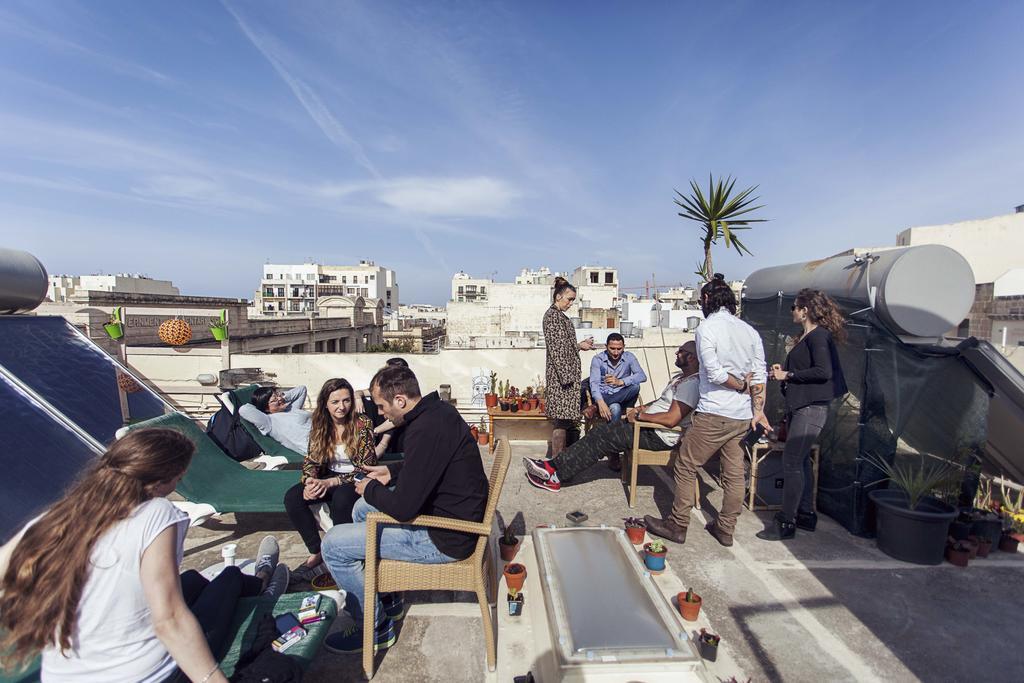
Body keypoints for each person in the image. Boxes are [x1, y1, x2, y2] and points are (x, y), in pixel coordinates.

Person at [0, 429, 288, 683]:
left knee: (191, 580)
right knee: (227, 579)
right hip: (147, 675)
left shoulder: (57, 516)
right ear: (163, 480)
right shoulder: (157, 513)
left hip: (61, 676)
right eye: (179, 476)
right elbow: (169, 619)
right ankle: (261, 581)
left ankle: (247, 580)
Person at [318, 365, 488, 654]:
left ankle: (374, 627)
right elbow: (429, 466)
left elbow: (405, 509)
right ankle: (389, 599)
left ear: (400, 400)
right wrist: (391, 473)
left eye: (382, 407)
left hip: (446, 537)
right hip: (447, 518)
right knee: (362, 510)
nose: (381, 414)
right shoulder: (439, 413)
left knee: (334, 546)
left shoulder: (423, 430)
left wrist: (369, 487)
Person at [645, 274, 769, 547]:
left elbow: (712, 372)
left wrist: (738, 386)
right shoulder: (750, 331)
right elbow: (759, 375)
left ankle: (677, 524)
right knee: (734, 474)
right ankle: (725, 528)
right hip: (742, 417)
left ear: (706, 299)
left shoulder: (708, 329)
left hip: (715, 413)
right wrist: (757, 409)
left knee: (686, 465)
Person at [524, 341, 700, 492]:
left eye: (681, 351)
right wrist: (641, 408)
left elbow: (672, 419)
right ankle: (553, 466)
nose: (677, 353)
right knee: (598, 432)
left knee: (603, 440)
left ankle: (555, 476)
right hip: (646, 427)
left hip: (657, 435)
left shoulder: (692, 385)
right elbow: (662, 401)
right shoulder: (680, 378)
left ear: (691, 357)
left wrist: (641, 416)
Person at [757, 288, 848, 541]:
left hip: (811, 409)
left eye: (794, 307)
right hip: (803, 408)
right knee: (802, 461)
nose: (792, 311)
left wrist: (789, 375)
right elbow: (809, 370)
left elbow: (823, 371)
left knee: (792, 461)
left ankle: (786, 521)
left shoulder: (819, 336)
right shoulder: (809, 337)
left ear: (805, 310)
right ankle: (805, 514)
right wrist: (784, 371)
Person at [284, 378, 379, 583]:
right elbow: (311, 459)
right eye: (335, 402)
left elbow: (366, 467)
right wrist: (310, 481)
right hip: (329, 476)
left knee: (342, 500)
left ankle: (341, 552)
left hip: (356, 478)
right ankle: (317, 552)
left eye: (346, 401)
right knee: (293, 497)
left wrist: (331, 483)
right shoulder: (319, 423)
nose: (341, 407)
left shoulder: (362, 424)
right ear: (325, 403)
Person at [543, 276, 596, 457]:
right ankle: (558, 463)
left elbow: (564, 345)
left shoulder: (560, 317)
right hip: (562, 379)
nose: (571, 303)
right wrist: (567, 380)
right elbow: (557, 349)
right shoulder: (552, 317)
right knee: (561, 420)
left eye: (573, 299)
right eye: (569, 299)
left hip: (565, 378)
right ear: (558, 296)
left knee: (564, 420)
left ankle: (560, 462)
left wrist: (579, 345)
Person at [584, 332, 647, 423]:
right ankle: (614, 436)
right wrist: (600, 402)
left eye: (619, 349)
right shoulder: (598, 359)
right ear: (606, 346)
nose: (616, 352)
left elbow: (642, 376)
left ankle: (595, 407)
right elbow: (594, 383)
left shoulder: (629, 357)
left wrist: (621, 381)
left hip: (624, 398)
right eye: (612, 348)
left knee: (635, 386)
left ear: (624, 347)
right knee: (615, 407)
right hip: (603, 396)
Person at [353, 357, 409, 455]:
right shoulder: (382, 388)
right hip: (379, 429)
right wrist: (358, 398)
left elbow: (397, 420)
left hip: (395, 435)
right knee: (366, 402)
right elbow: (361, 392)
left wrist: (374, 431)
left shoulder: (405, 394)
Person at [240, 385, 312, 455]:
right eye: (274, 400)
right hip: (315, 445)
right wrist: (260, 407)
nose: (279, 398)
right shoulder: (268, 422)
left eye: (278, 395)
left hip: (321, 431)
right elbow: (243, 409)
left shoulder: (290, 408)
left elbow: (302, 389)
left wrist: (282, 398)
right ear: (266, 408)